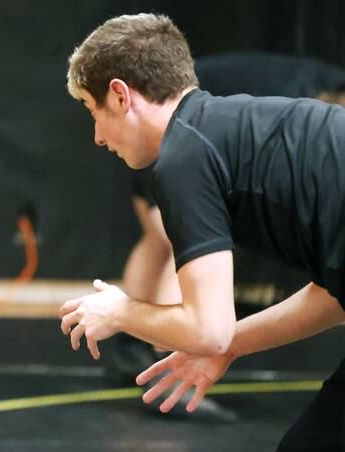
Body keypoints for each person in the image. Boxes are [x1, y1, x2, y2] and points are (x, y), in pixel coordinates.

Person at [60, 13, 345, 452]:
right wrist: (229, 346)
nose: (97, 137)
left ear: (121, 95)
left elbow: (206, 327)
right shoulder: (228, 132)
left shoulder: (184, 159)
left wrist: (123, 311)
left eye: (91, 111)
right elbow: (336, 294)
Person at [110, 53, 345, 395]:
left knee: (157, 239)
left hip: (161, 134)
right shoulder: (310, 101)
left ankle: (131, 349)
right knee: (178, 240)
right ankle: (167, 363)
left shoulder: (307, 84)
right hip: (170, 138)